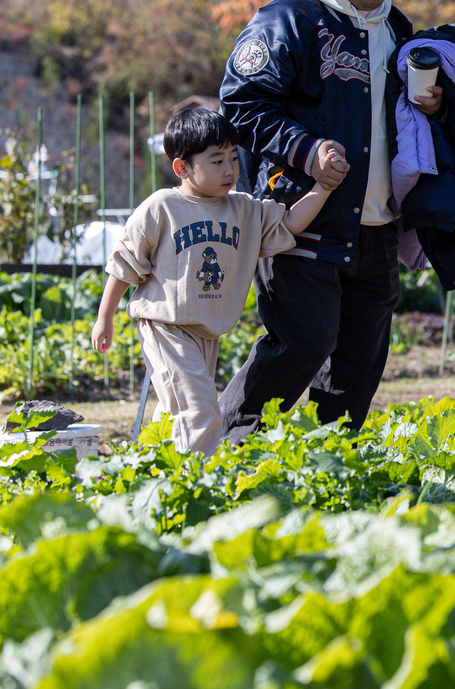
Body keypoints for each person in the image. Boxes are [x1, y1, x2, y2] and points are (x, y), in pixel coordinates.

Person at [217, 0, 439, 441]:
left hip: (379, 228)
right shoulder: (288, 20)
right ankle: (218, 454)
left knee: (357, 369)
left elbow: (402, 122)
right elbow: (241, 105)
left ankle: (328, 471)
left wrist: (433, 106)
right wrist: (305, 149)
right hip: (302, 220)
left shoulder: (401, 31)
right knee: (301, 345)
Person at [91, 108, 337, 455]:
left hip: (207, 330)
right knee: (200, 412)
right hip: (168, 327)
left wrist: (323, 187)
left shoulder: (243, 209)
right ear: (183, 168)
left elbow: (290, 222)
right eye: (216, 161)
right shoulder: (163, 207)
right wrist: (105, 318)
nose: (229, 170)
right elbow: (124, 264)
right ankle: (204, 485)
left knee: (178, 410)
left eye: (233, 158)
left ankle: (156, 468)